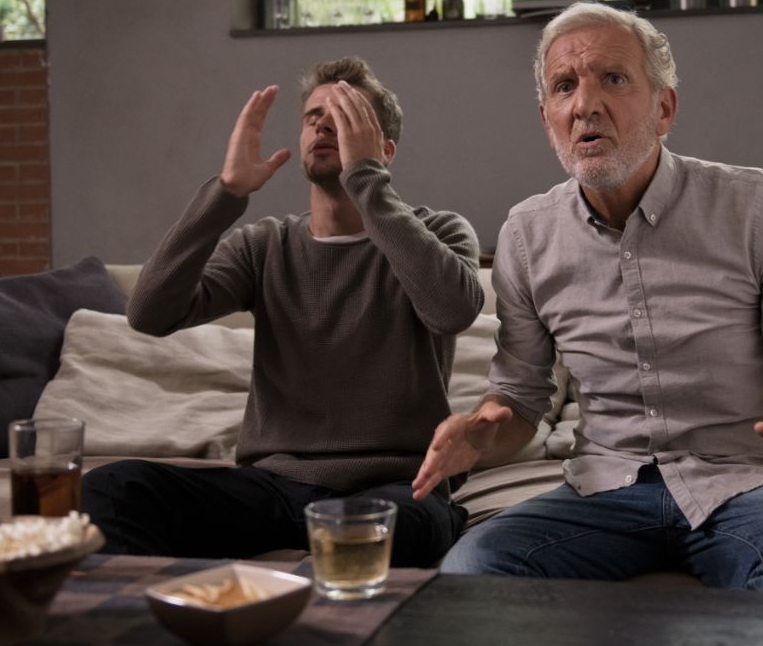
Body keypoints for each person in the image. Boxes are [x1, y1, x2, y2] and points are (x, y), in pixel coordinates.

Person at [411, 3, 763, 646]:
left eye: (613, 79)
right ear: (547, 119)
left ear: (664, 108)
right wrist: (485, 433)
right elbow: (519, 398)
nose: (585, 104)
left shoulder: (759, 208)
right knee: (470, 573)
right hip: (602, 492)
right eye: (565, 87)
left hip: (742, 486)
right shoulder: (526, 235)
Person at [83, 56, 484, 566]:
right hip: (273, 487)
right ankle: (179, 610)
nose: (323, 126)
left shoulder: (440, 231)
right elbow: (149, 313)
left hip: (396, 488)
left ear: (384, 149)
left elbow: (452, 310)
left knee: (392, 528)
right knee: (111, 490)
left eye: (345, 117)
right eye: (314, 116)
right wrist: (227, 193)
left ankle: (288, 595)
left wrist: (366, 179)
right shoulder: (264, 246)